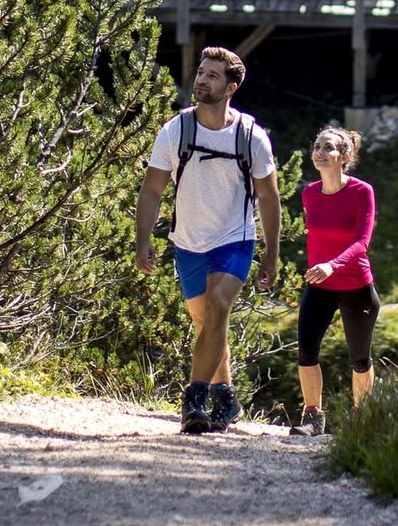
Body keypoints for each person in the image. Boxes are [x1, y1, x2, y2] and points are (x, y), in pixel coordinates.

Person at [136, 47, 280, 434]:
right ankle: (227, 396)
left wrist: (271, 254)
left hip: (236, 238)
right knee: (206, 324)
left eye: (212, 76)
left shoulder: (251, 136)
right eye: (201, 73)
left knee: (218, 307)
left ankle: (194, 398)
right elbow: (151, 190)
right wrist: (143, 239)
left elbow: (268, 196)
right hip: (188, 242)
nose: (202, 80)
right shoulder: (176, 130)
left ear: (231, 87)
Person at [290, 126, 381, 437]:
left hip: (356, 287)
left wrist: (332, 265)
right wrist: (322, 269)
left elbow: (362, 242)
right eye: (317, 145)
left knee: (360, 358)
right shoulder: (309, 194)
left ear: (344, 156)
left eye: (327, 147)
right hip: (320, 287)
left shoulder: (361, 192)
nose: (319, 151)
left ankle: (362, 418)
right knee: (306, 350)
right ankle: (313, 416)